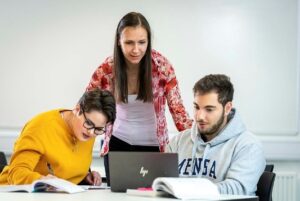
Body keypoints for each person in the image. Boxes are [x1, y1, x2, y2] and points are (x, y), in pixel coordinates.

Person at [86, 12, 192, 184]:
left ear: (148, 41)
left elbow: (180, 116)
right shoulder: (106, 69)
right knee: (117, 196)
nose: (136, 50)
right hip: (117, 145)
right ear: (119, 42)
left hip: (154, 148)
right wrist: (83, 166)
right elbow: (86, 112)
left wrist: (209, 136)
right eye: (129, 42)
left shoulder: (162, 67)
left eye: (142, 42)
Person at [166, 74, 266, 195]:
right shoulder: (177, 142)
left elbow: (238, 189)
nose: (200, 116)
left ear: (227, 108)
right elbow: (161, 182)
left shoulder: (248, 146)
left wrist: (191, 191)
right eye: (197, 107)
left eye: (209, 109)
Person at [0, 89, 116, 185]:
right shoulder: (41, 127)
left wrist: (85, 176)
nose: (91, 133)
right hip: (14, 193)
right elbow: (16, 173)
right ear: (77, 110)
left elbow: (66, 165)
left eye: (99, 129)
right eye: (89, 124)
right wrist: (41, 181)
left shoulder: (87, 131)